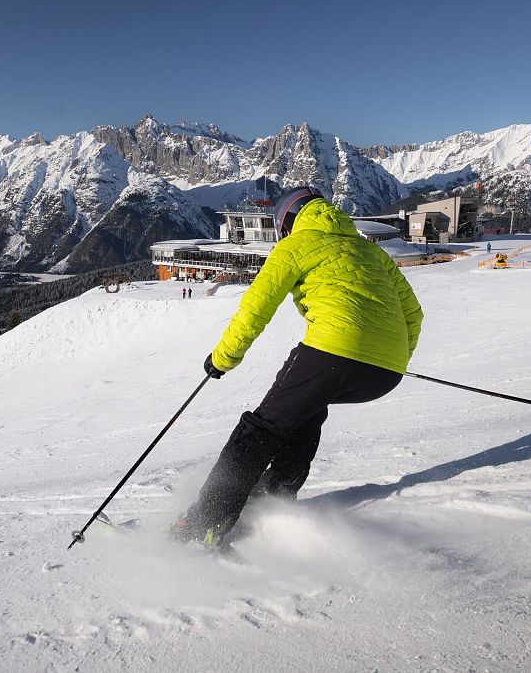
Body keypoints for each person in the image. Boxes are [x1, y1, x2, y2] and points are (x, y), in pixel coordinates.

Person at [169, 187, 423, 546]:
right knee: (306, 411)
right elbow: (413, 313)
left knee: (260, 429)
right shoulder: (370, 250)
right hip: (384, 374)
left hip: (333, 350)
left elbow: (255, 308)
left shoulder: (294, 247)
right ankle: (276, 497)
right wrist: (393, 357)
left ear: (287, 221)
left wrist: (223, 358)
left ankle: (204, 523)